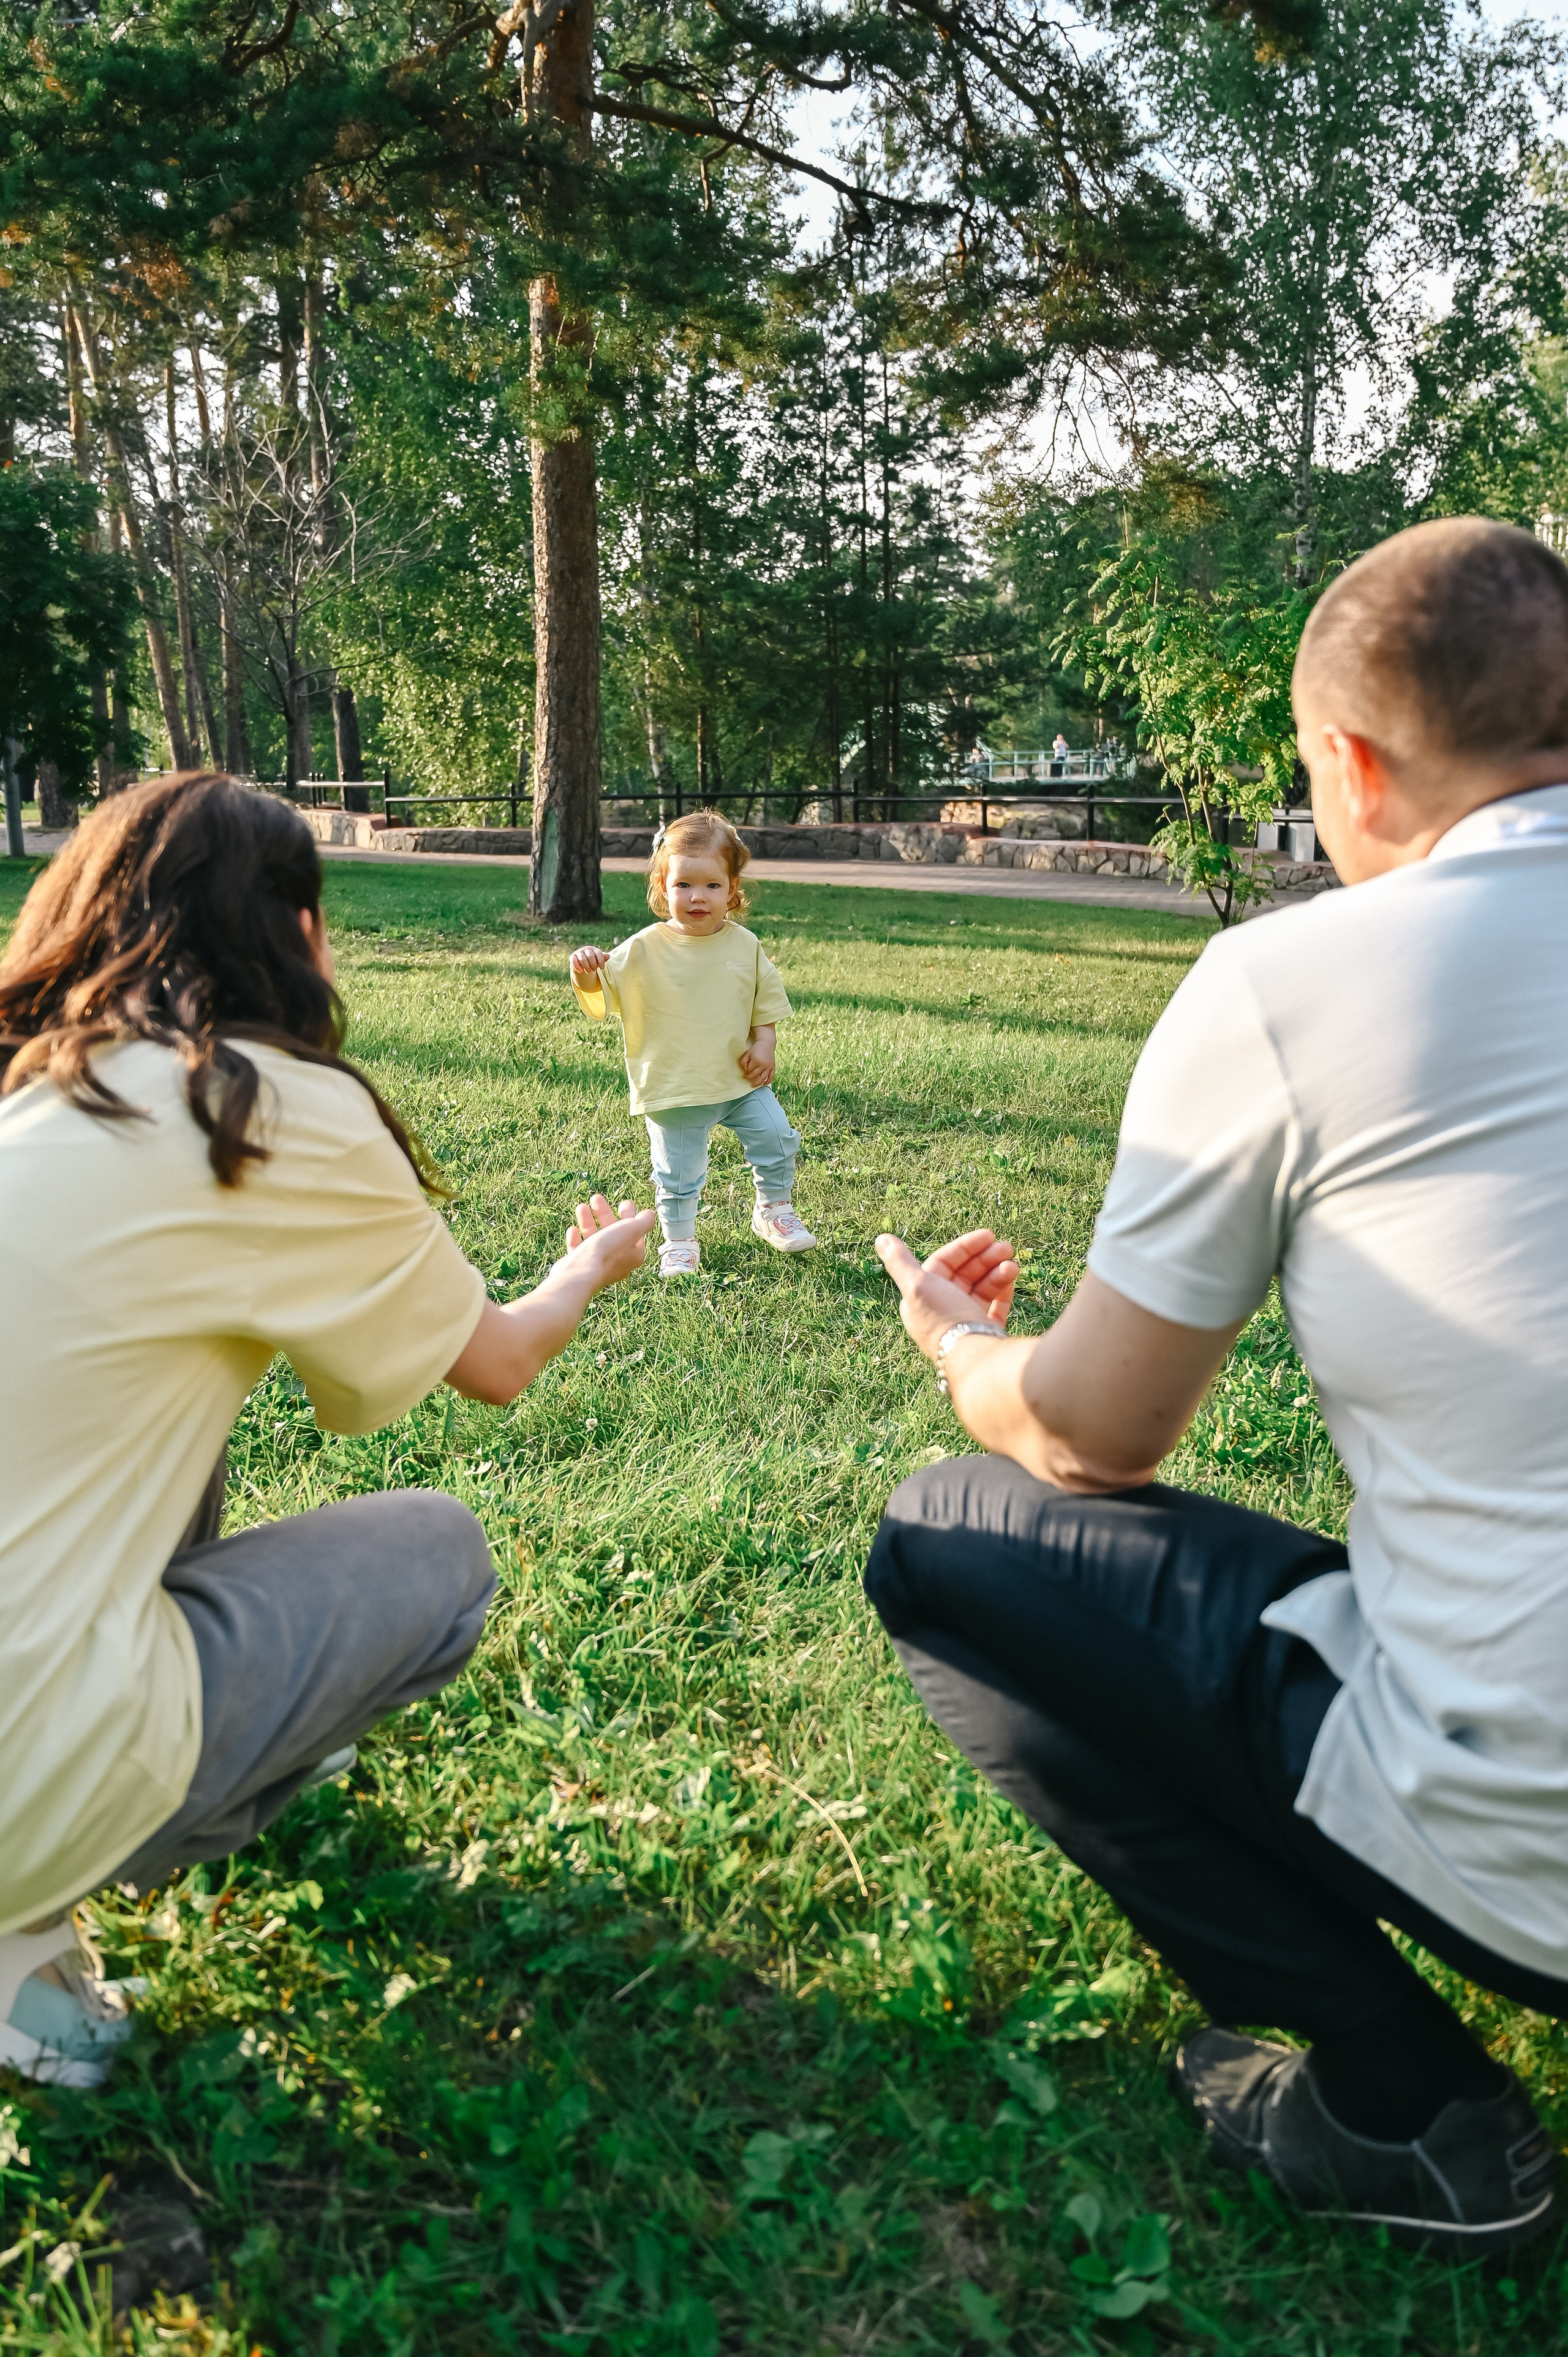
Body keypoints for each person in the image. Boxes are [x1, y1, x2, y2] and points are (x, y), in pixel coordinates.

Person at [867, 518, 1568, 2252]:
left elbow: (1095, 1433)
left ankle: (1408, 2111)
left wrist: (962, 1349)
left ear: (1349, 763)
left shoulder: (1301, 976)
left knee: (944, 1545)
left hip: (1529, 1841)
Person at [0, 774, 655, 2086]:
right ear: (292, 931)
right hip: (21, 1756)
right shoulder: (257, 1107)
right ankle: (22, 1933)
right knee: (440, 1556)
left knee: (156, 1436)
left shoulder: (34, 1097)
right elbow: (499, 1363)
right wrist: (584, 1275)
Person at [568, 809, 816, 1278]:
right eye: (683, 885)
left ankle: (773, 1209)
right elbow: (602, 998)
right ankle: (680, 1243)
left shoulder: (745, 945)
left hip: (741, 1078)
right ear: (663, 888)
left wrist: (766, 1044)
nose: (697, 897)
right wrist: (586, 969)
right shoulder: (643, 948)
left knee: (777, 1137)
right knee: (678, 1176)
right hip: (676, 1084)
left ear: (733, 889)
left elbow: (764, 1002)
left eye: (712, 886)